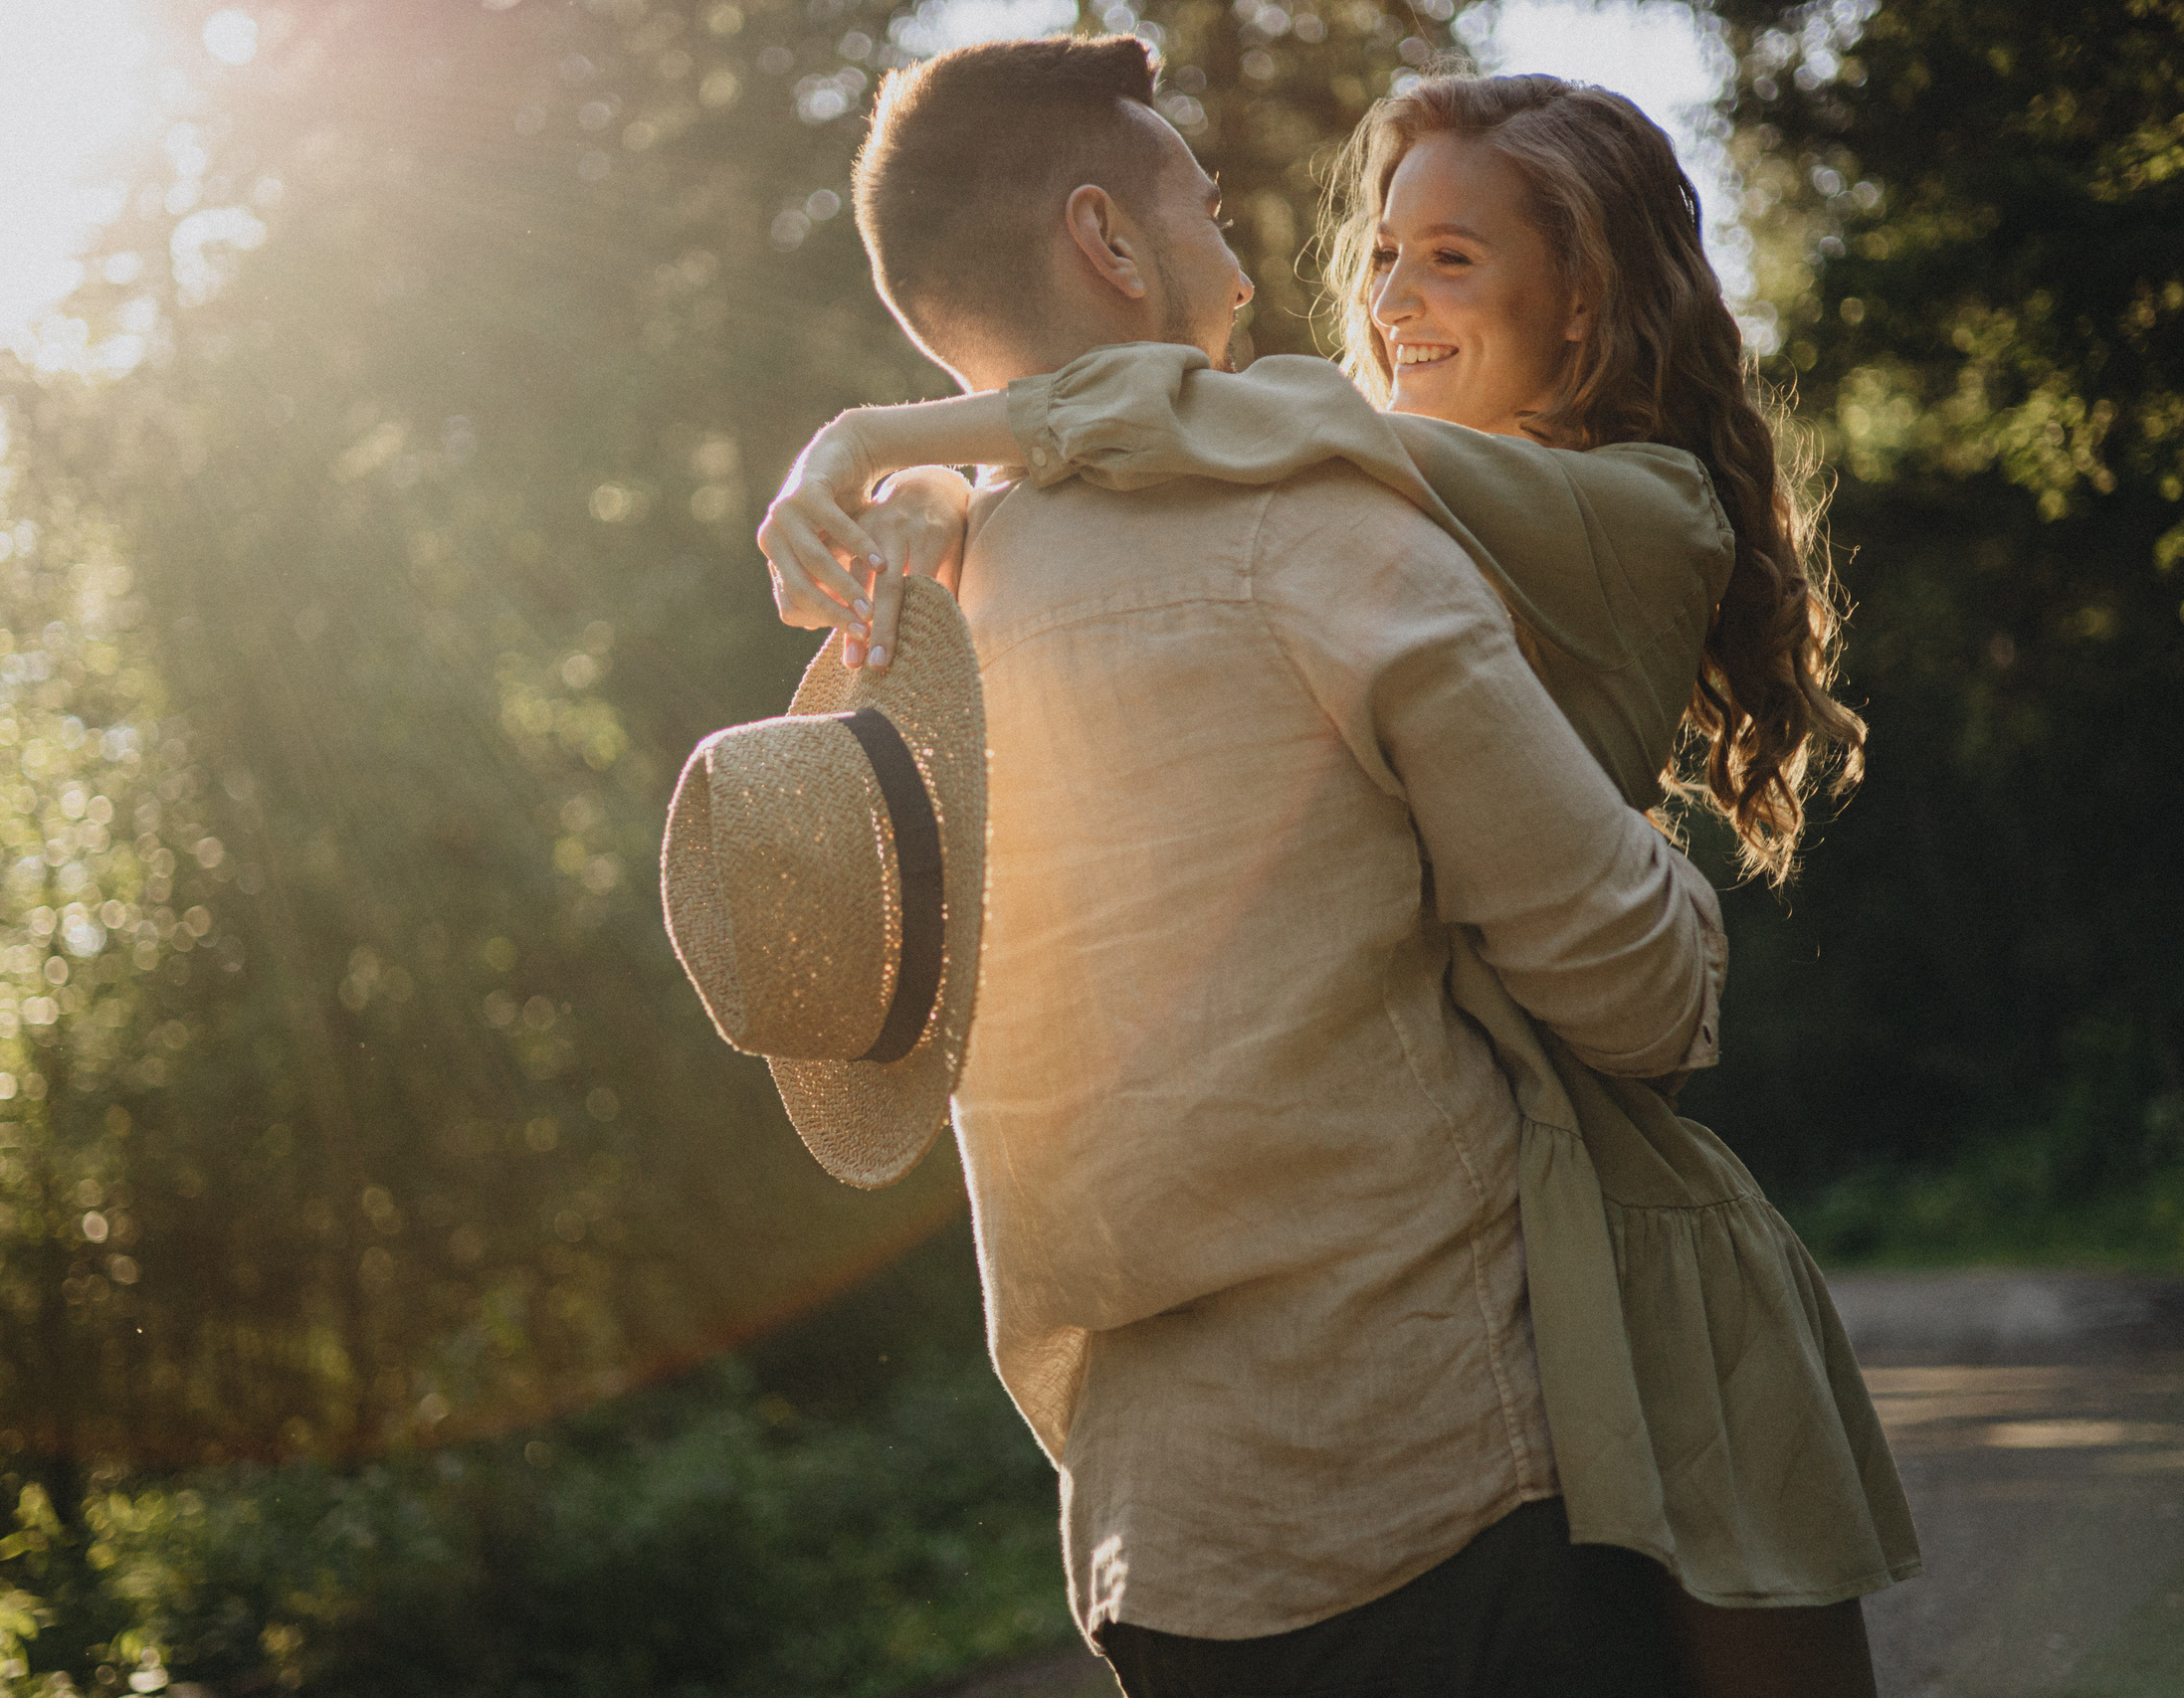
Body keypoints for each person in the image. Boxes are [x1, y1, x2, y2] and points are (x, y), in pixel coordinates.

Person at [760, 60, 1916, 1698]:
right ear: (1104, 234)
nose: (1281, 272)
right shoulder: (1318, 529)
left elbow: (1195, 428)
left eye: (1451, 256)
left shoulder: (937, 639)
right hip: (1439, 1451)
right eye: (1378, 249)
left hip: (1159, 1530)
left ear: (1582, 308)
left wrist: (895, 458)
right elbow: (1643, 997)